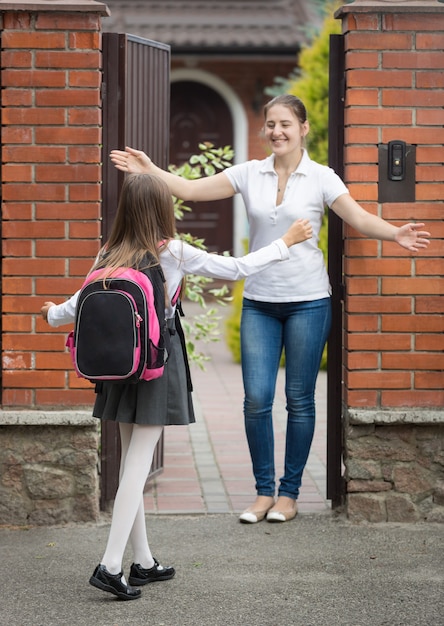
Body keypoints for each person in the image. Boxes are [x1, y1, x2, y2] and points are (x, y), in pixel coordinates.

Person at [109, 94, 431, 525]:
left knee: (299, 400)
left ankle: (289, 494)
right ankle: (263, 492)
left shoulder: (322, 178)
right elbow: (190, 190)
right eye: (270, 124)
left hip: (308, 301)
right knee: (257, 400)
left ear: (303, 128)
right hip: (260, 301)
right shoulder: (248, 174)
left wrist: (396, 233)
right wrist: (150, 171)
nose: (277, 131)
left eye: (285, 124)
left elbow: (357, 217)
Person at [41, 172, 313, 600]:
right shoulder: (174, 252)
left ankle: (143, 561)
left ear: (126, 210)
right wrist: (287, 242)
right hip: (153, 364)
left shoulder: (107, 254)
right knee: (137, 465)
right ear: (162, 209)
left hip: (116, 369)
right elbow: (238, 269)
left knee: (133, 458)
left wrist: (51, 313)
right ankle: (111, 565)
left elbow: (74, 307)